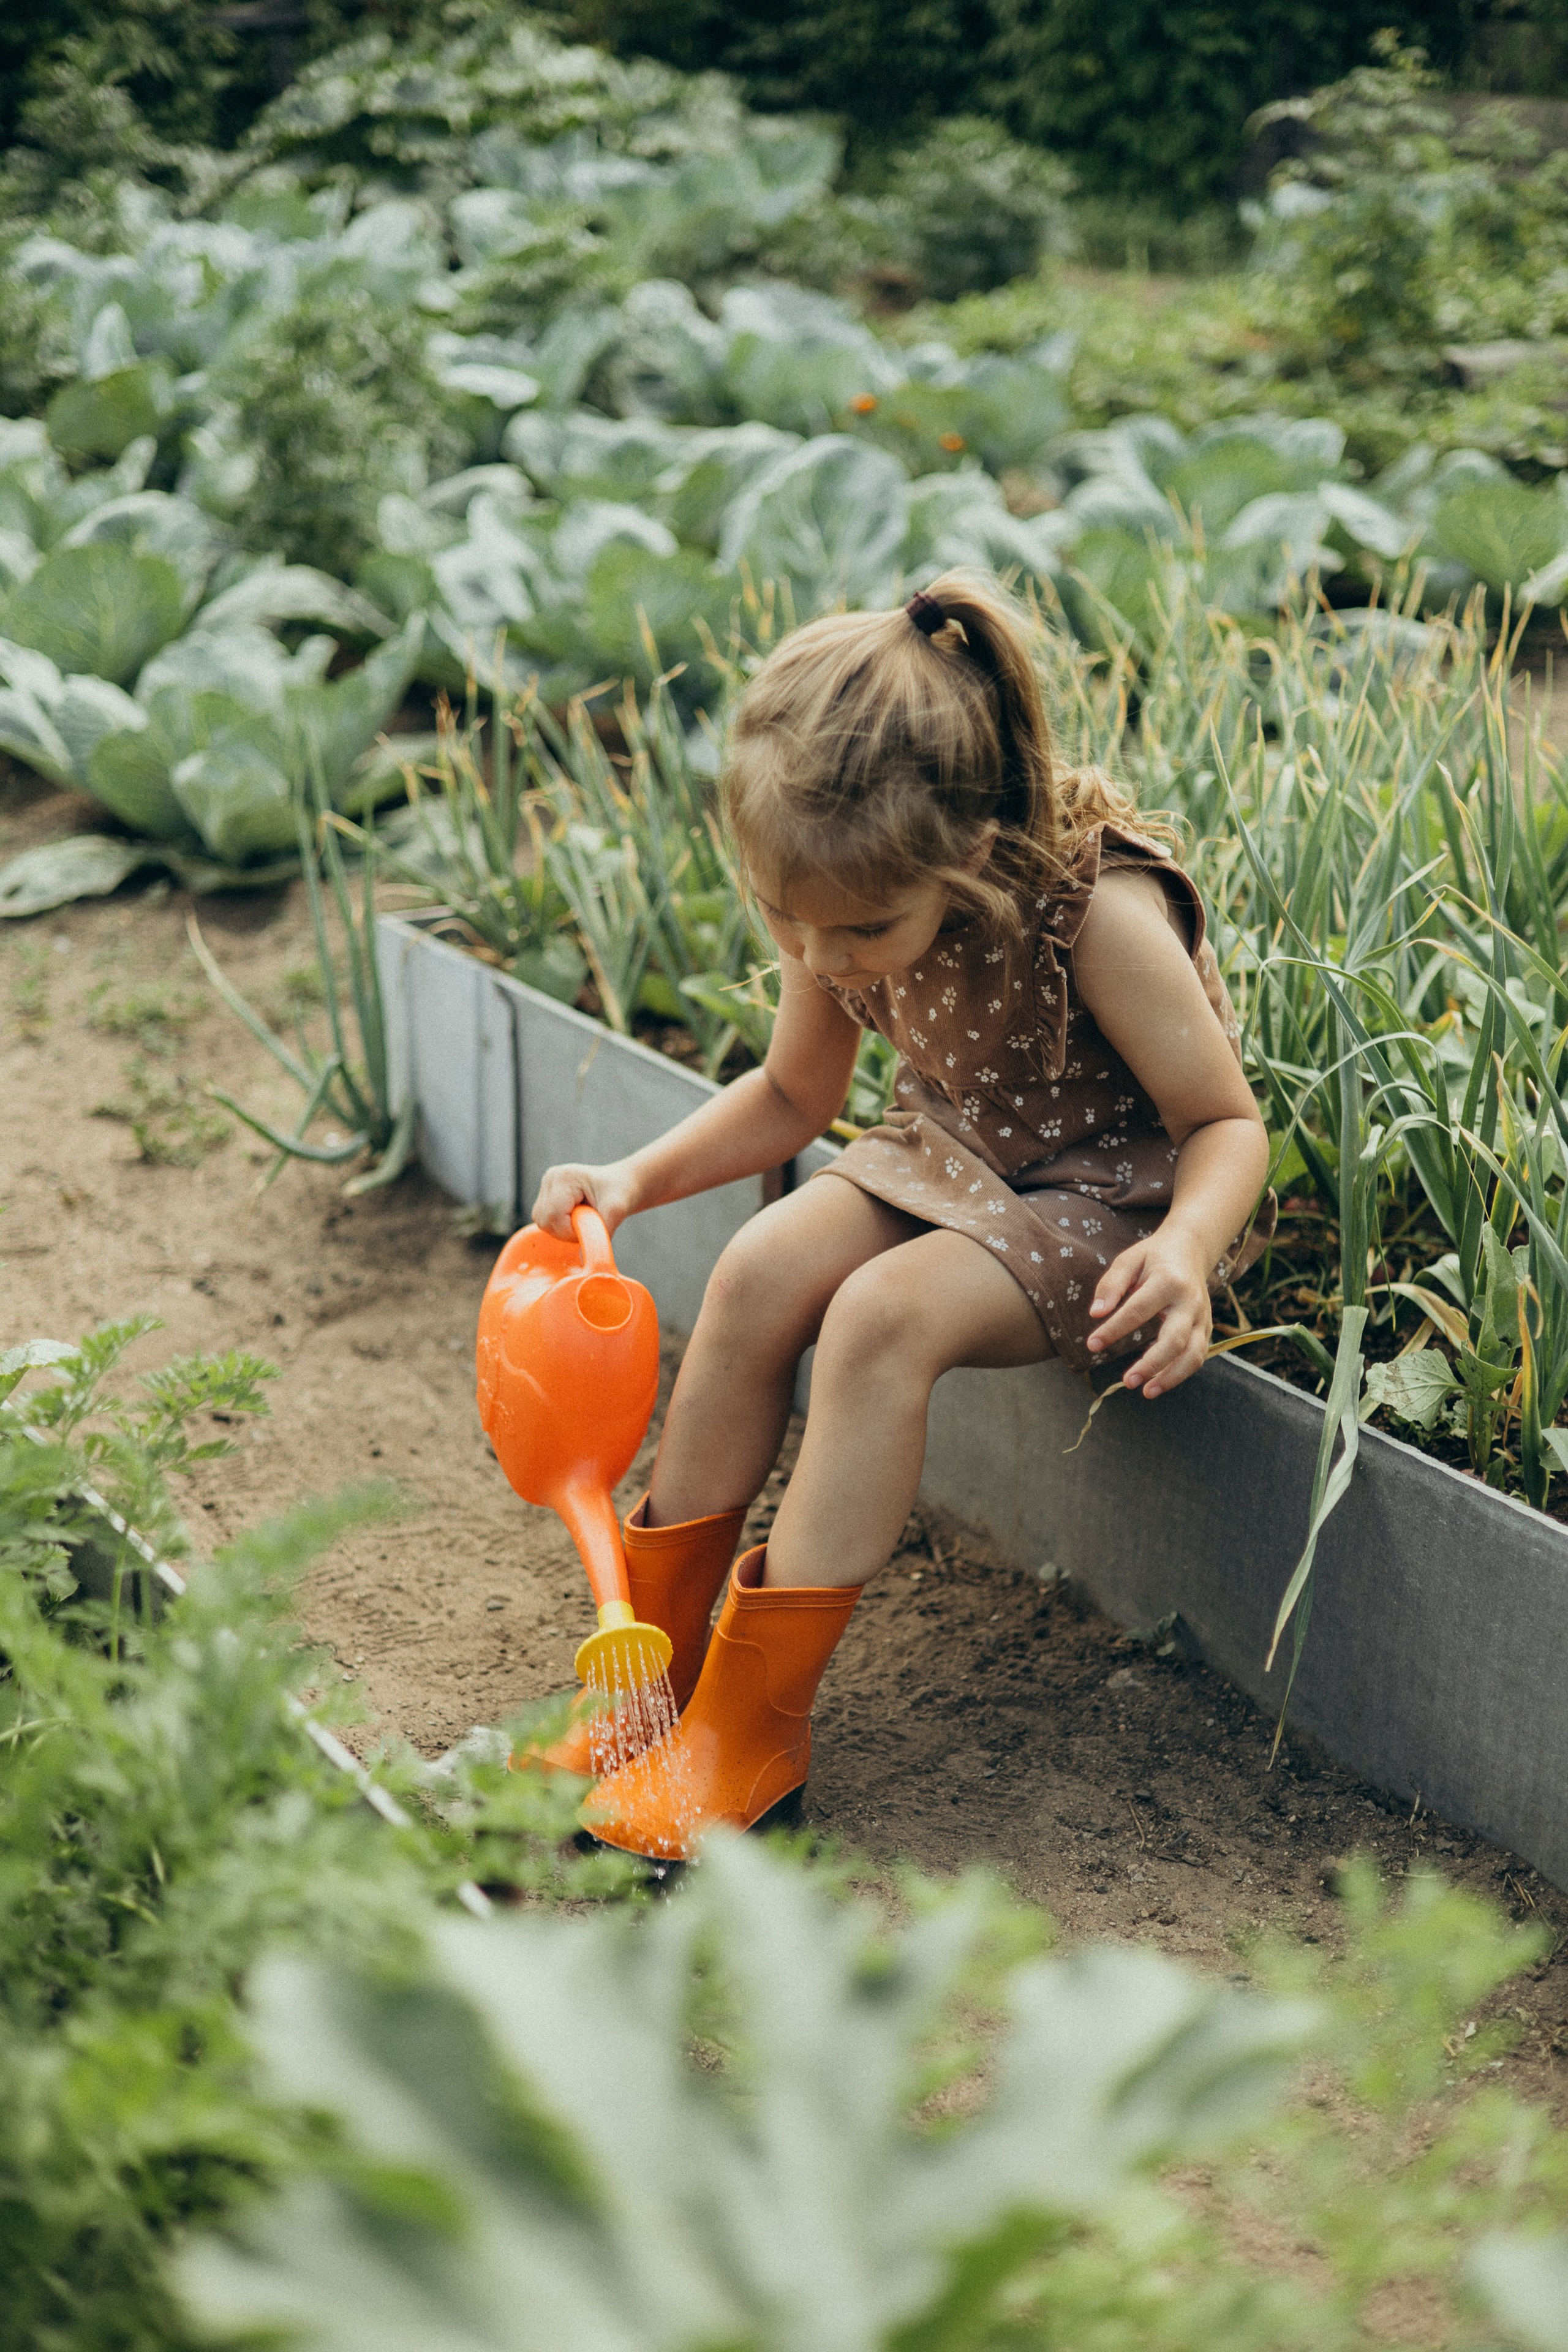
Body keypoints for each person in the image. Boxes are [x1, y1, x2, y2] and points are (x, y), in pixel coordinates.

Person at [529, 570, 1273, 1859]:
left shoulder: (1096, 918)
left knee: (877, 1317)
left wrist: (1187, 1252)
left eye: (862, 931)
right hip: (959, 1152)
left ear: (969, 858)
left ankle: (747, 1733)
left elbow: (1225, 1125)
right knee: (761, 1266)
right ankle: (640, 1684)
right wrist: (631, 1181)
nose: (822, 959)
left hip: (1113, 1198)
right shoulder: (839, 900)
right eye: (788, 923)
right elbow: (788, 1093)